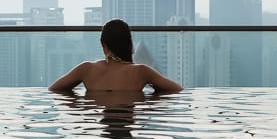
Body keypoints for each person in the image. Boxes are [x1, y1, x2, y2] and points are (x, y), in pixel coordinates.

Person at [49, 19, 183, 93]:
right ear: (129, 44)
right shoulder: (141, 71)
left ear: (102, 43)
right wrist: (151, 101)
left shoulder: (86, 69)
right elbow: (177, 89)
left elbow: (54, 89)